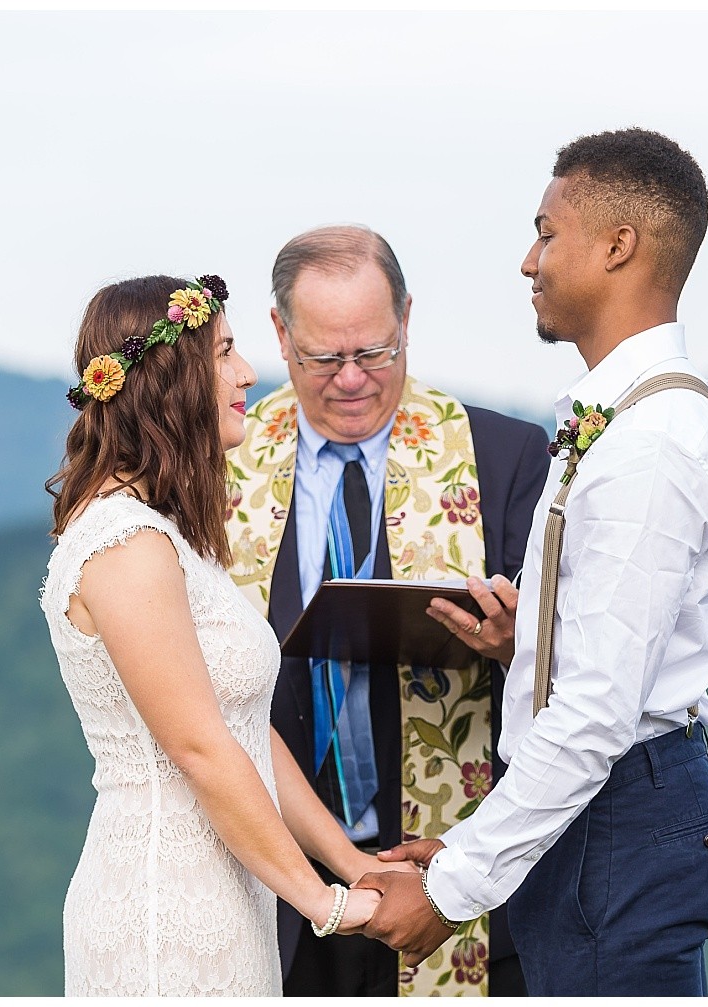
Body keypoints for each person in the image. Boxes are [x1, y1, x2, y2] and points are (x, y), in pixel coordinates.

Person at [356, 128, 708, 996]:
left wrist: (452, 886)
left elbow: (601, 710)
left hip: (623, 814)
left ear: (618, 245)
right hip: (594, 812)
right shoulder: (622, 420)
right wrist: (523, 642)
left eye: (546, 231)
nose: (527, 260)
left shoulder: (651, 444)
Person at [39, 273, 394, 996]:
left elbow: (243, 730)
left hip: (228, 897)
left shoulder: (172, 536)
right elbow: (200, 749)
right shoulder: (125, 543)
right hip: (161, 910)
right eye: (226, 352)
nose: (248, 373)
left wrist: (355, 863)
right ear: (171, 377)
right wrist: (323, 903)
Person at [226, 226, 551, 995]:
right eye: (322, 358)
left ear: (406, 318)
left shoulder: (503, 457)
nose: (350, 380)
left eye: (373, 353)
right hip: (273, 883)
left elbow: (578, 669)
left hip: (451, 877)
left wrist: (515, 644)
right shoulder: (220, 464)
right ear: (279, 333)